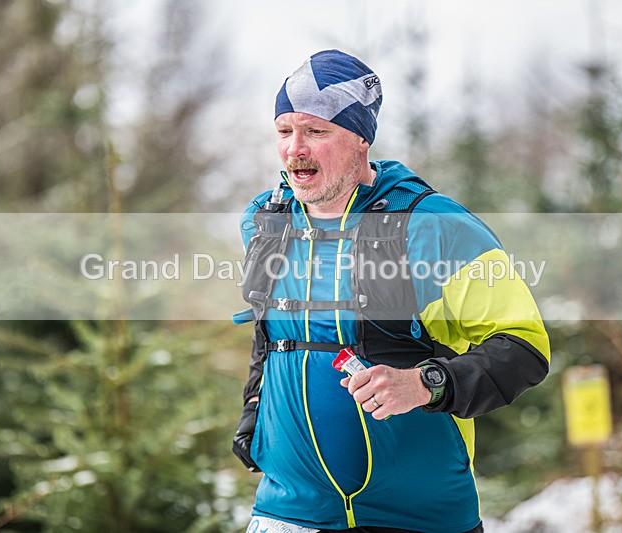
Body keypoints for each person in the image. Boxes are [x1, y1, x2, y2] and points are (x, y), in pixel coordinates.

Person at [231, 49, 550, 533]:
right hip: (290, 509)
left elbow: (524, 348)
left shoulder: (437, 226)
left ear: (361, 138)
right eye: (284, 131)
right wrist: (254, 416)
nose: (295, 148)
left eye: (316, 131)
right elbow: (271, 335)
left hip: (418, 514)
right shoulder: (267, 222)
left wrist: (425, 384)